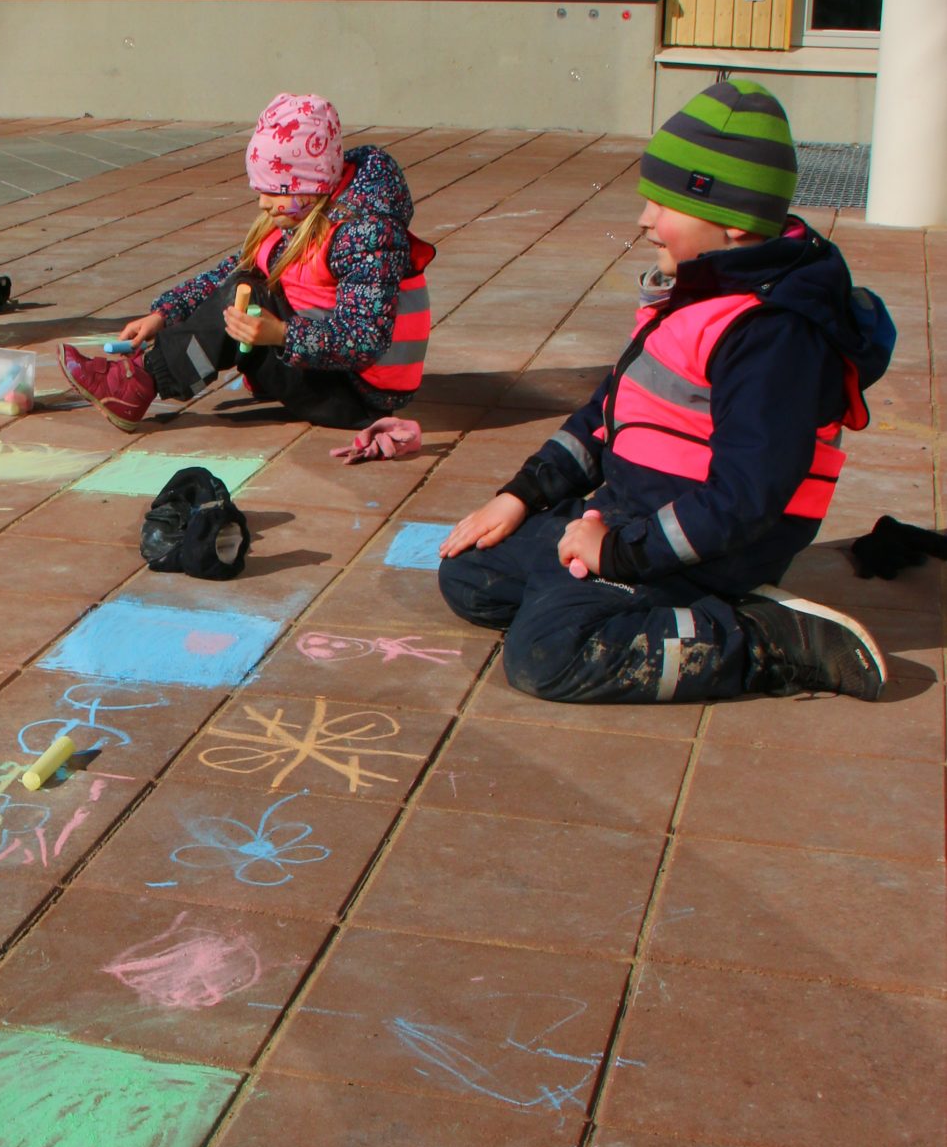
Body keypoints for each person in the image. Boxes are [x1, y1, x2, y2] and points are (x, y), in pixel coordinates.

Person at [438, 76, 895, 704]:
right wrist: (519, 497)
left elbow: (746, 500)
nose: (645, 218)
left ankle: (764, 638)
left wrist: (620, 554)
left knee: (549, 653)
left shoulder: (773, 334)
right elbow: (607, 411)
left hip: (708, 543)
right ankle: (612, 598)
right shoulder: (696, 293)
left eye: (667, 202)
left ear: (734, 223)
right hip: (634, 513)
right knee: (471, 573)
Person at [60, 90, 432, 447]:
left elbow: (366, 337)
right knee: (243, 283)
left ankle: (138, 384)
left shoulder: (365, 232)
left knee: (248, 296)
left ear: (311, 183)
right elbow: (230, 272)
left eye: (275, 191)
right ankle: (143, 372)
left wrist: (281, 335)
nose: (263, 203)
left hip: (360, 395)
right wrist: (164, 313)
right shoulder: (310, 213)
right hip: (324, 367)